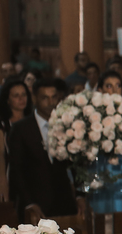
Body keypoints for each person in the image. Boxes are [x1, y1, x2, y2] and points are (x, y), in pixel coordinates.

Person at [8, 78, 77, 220]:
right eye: (45, 98)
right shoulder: (21, 129)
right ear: (35, 99)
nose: (50, 102)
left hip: (65, 203)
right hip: (35, 205)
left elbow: (76, 163)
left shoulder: (67, 125)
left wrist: (81, 195)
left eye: (54, 97)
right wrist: (29, 202)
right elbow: (16, 169)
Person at [91, 71, 122, 214]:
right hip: (99, 175)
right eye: (109, 86)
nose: (115, 90)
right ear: (100, 90)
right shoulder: (90, 115)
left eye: (118, 86)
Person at [0, 77, 34, 203]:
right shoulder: (1, 123)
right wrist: (2, 181)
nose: (21, 99)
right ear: (8, 100)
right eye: (16, 96)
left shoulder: (33, 120)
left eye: (24, 95)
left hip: (32, 174)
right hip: (10, 174)